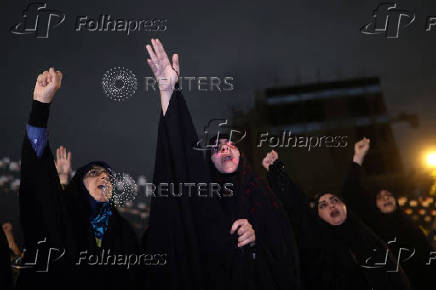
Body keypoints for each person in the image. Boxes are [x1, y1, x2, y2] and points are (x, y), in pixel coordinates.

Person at [143, 38, 301, 290]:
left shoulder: (264, 196)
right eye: (215, 148)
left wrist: (256, 236)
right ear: (209, 163)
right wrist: (169, 93)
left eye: (230, 145)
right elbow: (181, 158)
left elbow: (288, 247)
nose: (224, 148)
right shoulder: (205, 197)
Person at [17, 68, 139, 290]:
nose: (104, 176)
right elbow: (37, 180)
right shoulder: (64, 218)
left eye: (108, 176)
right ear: (77, 188)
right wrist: (40, 107)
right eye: (93, 173)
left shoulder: (125, 234)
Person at [263, 149, 410, 290]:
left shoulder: (367, 236)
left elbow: (395, 277)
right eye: (323, 205)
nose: (331, 205)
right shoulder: (316, 244)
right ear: (317, 215)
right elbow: (295, 206)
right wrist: (276, 172)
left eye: (335, 200)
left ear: (345, 207)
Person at [342, 138, 436, 290]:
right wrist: (358, 157)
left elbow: (428, 255)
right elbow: (351, 193)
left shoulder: (409, 226)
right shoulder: (374, 227)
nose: (386, 198)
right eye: (379, 197)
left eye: (389, 195)